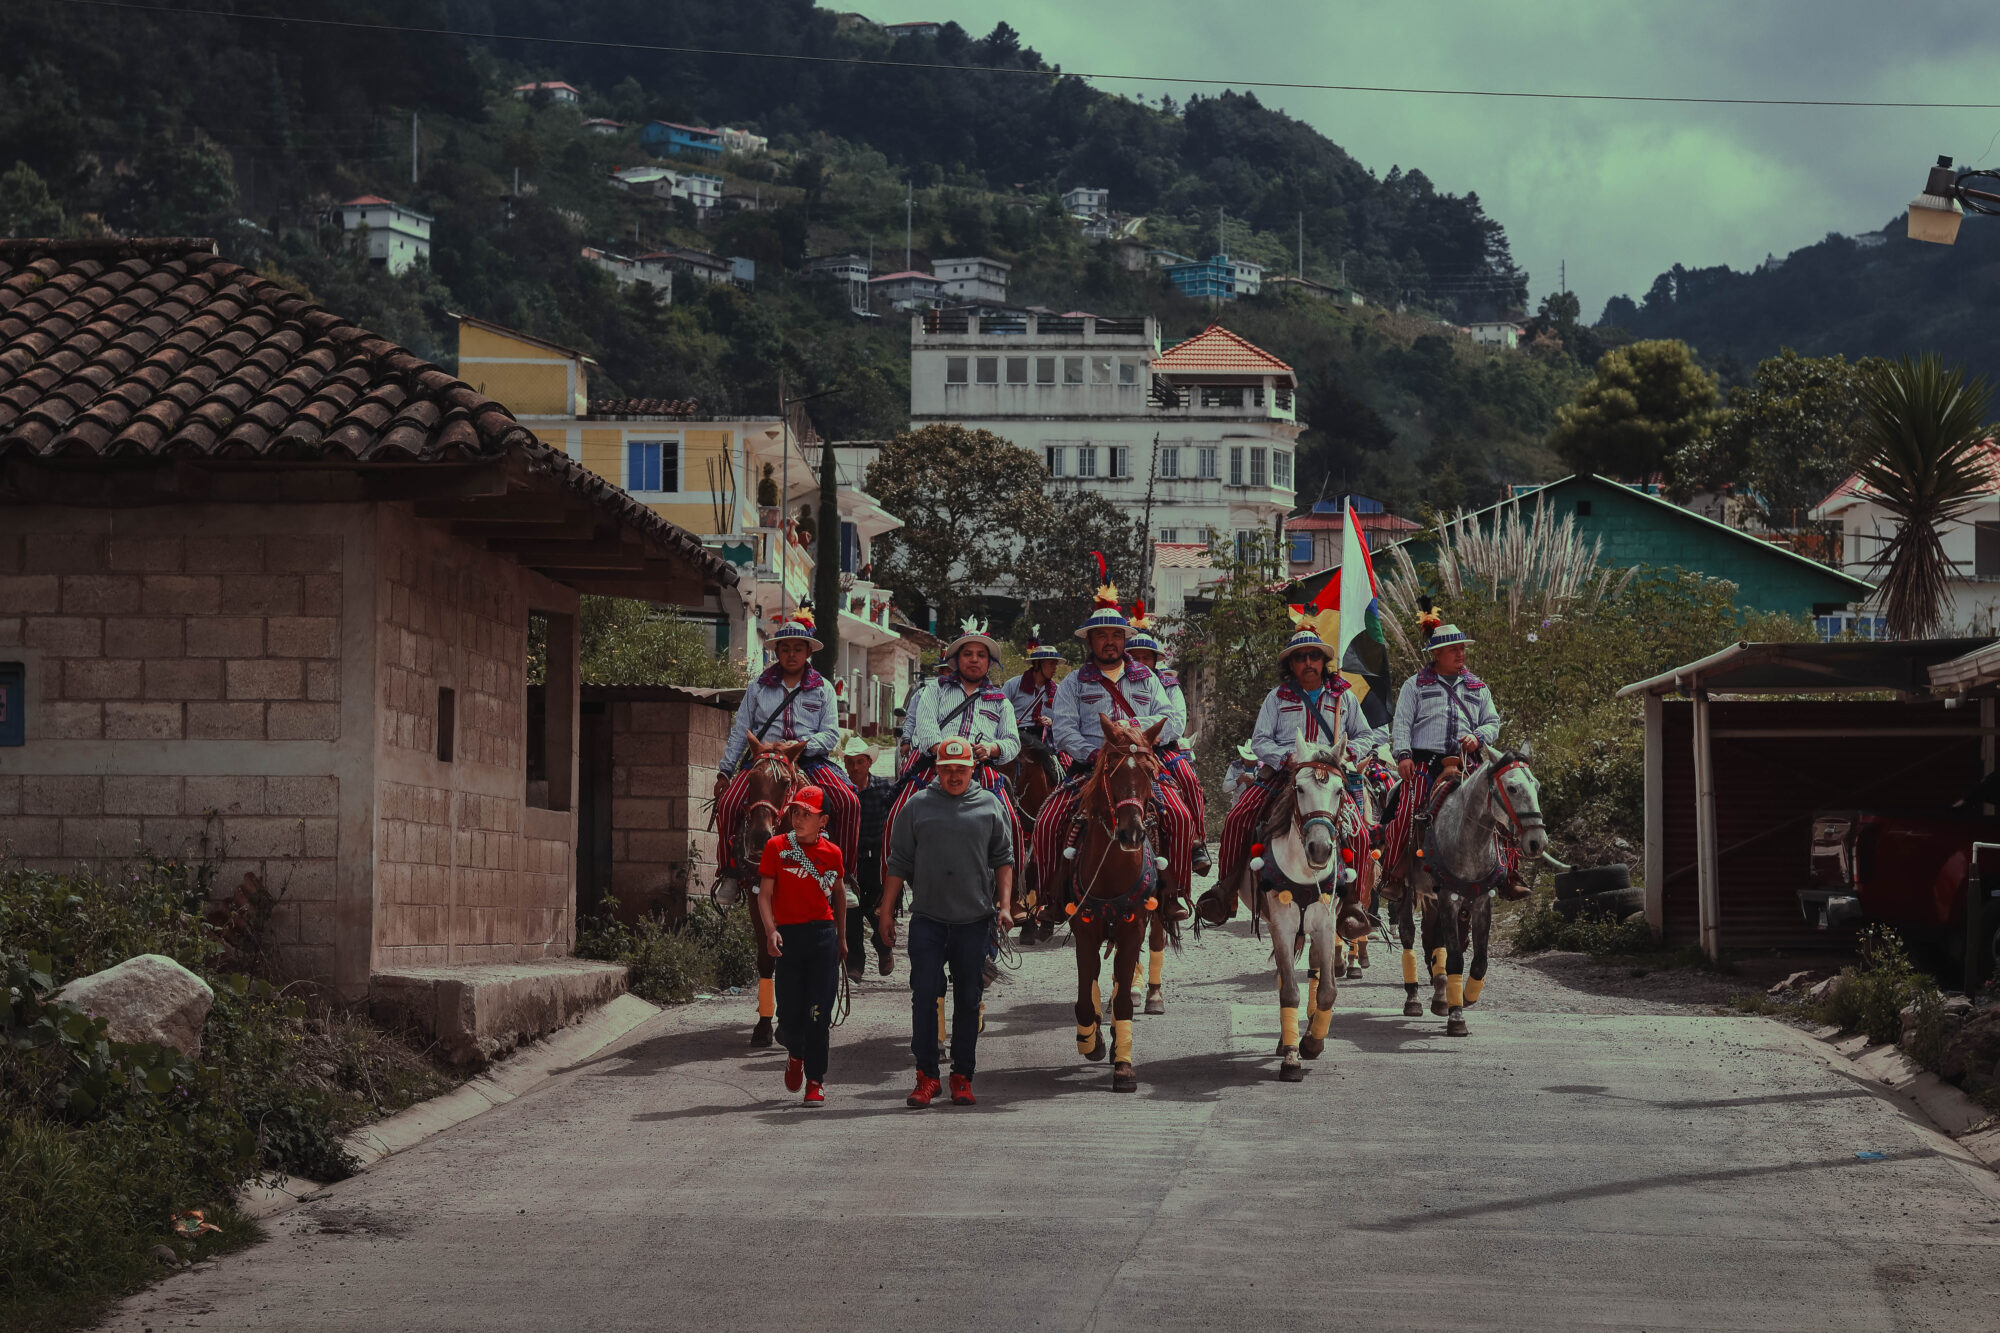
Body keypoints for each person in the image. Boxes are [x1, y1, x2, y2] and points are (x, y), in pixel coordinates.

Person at [1028, 581, 1194, 921]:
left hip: (1142, 766)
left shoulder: (1147, 677)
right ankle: (1050, 897)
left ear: (1125, 640)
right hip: (1092, 768)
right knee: (1046, 821)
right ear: (1089, 641)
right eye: (1101, 635)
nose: (1109, 642)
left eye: (1116, 635)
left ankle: (1175, 892)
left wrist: (1130, 732)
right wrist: (1095, 754)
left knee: (1179, 815)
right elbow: (1063, 730)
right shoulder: (1075, 682)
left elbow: (1173, 720)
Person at [1197, 615, 1360, 926]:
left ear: (1323, 661)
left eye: (1314, 656)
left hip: (1327, 779)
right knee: (1237, 818)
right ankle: (1226, 890)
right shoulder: (1277, 697)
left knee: (1360, 834)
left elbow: (1366, 734)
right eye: (1301, 657)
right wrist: (1285, 757)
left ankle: (1353, 902)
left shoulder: (1344, 697)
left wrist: (1347, 754)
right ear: (1291, 664)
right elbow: (1260, 740)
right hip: (1284, 775)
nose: (1308, 662)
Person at [881, 736, 1015, 1108]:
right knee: (924, 994)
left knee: (969, 999)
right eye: (946, 770)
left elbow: (1004, 859)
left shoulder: (990, 805)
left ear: (973, 769)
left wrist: (1005, 906)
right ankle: (927, 1076)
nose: (954, 776)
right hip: (928, 920)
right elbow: (898, 863)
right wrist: (886, 912)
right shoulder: (917, 806)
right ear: (936, 771)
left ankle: (962, 1076)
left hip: (974, 921)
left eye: (960, 769)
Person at [713, 607, 860, 906]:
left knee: (848, 801)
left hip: (809, 759)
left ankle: (845, 877)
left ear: (808, 652)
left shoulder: (823, 689)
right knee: (728, 804)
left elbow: (830, 733)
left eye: (798, 648)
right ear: (777, 652)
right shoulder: (757, 687)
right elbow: (741, 730)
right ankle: (729, 873)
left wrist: (799, 746)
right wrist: (725, 772)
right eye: (786, 648)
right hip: (764, 762)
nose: (792, 654)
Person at [1381, 600, 1504, 881]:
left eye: (1462, 648)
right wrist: (1403, 755)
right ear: (1437, 653)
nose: (1461, 654)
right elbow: (1401, 724)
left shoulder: (1478, 687)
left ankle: (1506, 873)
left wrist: (1478, 737)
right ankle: (1395, 872)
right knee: (1406, 812)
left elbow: (1493, 723)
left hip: (1467, 762)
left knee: (1497, 808)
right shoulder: (1414, 685)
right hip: (1425, 763)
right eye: (1454, 649)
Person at [888, 617, 1022, 856]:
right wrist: (946, 750)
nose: (974, 659)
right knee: (895, 817)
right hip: (935, 766)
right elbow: (926, 729)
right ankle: (888, 891)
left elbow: (1012, 741)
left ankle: (1011, 892)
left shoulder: (1001, 701)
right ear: (956, 660)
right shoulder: (934, 690)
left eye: (981, 655)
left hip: (981, 769)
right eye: (967, 653)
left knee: (1012, 823)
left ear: (989, 662)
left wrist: (992, 748)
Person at [754, 785, 846, 1106]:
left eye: (807, 814)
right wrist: (770, 931)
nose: (799, 818)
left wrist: (842, 938)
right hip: (788, 938)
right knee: (791, 1015)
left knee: (818, 1015)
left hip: (823, 938)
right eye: (795, 811)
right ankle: (795, 1053)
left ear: (823, 820)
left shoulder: (833, 853)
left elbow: (838, 896)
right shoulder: (776, 847)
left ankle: (815, 1081)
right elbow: (764, 895)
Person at [1124, 605, 1211, 877]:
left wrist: (1144, 731)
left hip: (1162, 749)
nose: (1139, 662)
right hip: (1126, 749)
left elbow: (1175, 722)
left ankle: (1197, 839)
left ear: (1154, 660)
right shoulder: (1117, 682)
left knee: (1187, 777)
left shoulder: (1169, 685)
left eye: (1144, 657)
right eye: (1133, 656)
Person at [840, 733, 896, 979]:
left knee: (878, 908)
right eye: (850, 762)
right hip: (850, 860)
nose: (854, 767)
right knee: (850, 912)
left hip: (877, 860)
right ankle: (855, 964)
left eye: (859, 762)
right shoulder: (841, 791)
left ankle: (883, 948)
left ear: (869, 763)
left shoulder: (884, 789)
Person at [1002, 626, 1065, 776]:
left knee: (1061, 768)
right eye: (1051, 663)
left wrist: (1051, 722)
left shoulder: (1058, 691)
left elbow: (1065, 719)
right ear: (1037, 664)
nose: (1055, 668)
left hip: (1044, 739)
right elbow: (997, 710)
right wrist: (1009, 720)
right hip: (1016, 735)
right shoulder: (1013, 684)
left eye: (1055, 664)